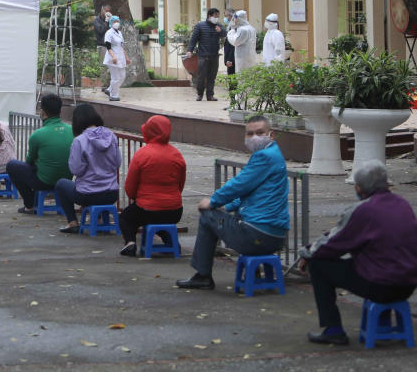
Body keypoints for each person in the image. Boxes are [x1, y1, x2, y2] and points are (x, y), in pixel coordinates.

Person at [300, 161, 417, 345]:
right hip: (408, 284)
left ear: (359, 188)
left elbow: (333, 244)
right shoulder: (403, 205)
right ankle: (383, 323)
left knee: (319, 264)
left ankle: (334, 329)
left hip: (380, 284)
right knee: (380, 259)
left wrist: (307, 253)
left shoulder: (364, 210)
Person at [176, 115, 289, 289]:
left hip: (258, 234)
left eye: (260, 133)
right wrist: (226, 206)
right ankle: (253, 271)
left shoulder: (265, 157)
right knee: (228, 217)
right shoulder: (274, 155)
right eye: (250, 134)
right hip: (275, 235)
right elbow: (248, 191)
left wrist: (213, 202)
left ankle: (202, 275)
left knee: (207, 216)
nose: (254, 138)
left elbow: (239, 185)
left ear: (271, 135)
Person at [118, 115, 186, 257]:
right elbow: (180, 184)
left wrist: (138, 197)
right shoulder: (177, 154)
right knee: (163, 220)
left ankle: (130, 243)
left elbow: (130, 187)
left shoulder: (142, 154)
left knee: (126, 217)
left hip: (147, 209)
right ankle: (171, 244)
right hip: (174, 210)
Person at [53, 105, 120, 233]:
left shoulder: (79, 141)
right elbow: (117, 163)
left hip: (88, 195)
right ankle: (99, 219)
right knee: (88, 187)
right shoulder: (111, 136)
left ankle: (72, 222)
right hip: (111, 194)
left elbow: (76, 170)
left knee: (61, 184)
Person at [6, 93, 73, 214]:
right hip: (66, 181)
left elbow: (29, 160)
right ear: (60, 111)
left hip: (45, 182)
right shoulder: (72, 131)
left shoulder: (38, 134)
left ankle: (29, 205)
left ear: (42, 112)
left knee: (12, 165)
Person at [188, 7, 223, 101]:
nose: (217, 18)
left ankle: (210, 95)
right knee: (201, 76)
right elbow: (193, 39)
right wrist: (190, 50)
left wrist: (221, 31)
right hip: (203, 55)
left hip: (214, 55)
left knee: (212, 76)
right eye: (215, 16)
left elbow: (226, 35)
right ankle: (200, 94)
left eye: (218, 16)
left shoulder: (218, 26)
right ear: (210, 16)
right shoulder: (200, 25)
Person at [102, 15, 130, 102]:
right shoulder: (109, 33)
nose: (116, 23)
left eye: (117, 21)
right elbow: (108, 46)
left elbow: (121, 46)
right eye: (114, 22)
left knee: (122, 77)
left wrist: (126, 57)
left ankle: (110, 89)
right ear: (111, 23)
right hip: (112, 58)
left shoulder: (119, 33)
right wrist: (113, 56)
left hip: (121, 58)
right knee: (115, 78)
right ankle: (113, 95)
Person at [223, 9, 236, 75]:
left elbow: (233, 45)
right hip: (230, 59)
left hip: (232, 60)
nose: (225, 18)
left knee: (233, 78)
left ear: (231, 16)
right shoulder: (230, 27)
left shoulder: (235, 28)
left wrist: (230, 59)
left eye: (226, 16)